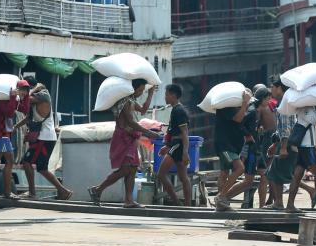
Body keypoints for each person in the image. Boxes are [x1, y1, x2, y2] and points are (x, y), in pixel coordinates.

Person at [88, 79, 157, 207]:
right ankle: (97, 189)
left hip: (131, 139)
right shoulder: (125, 102)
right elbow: (131, 122)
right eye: (140, 90)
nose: (140, 93)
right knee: (125, 169)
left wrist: (150, 93)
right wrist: (148, 132)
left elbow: (143, 110)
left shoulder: (131, 101)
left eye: (142, 91)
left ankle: (128, 200)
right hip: (122, 139)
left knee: (133, 168)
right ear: (133, 89)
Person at [265, 78, 316, 209]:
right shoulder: (287, 101)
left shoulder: (286, 102)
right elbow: (282, 128)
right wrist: (275, 144)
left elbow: (286, 128)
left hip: (287, 144)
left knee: (276, 173)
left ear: (279, 88)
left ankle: (280, 203)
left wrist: (283, 147)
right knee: (280, 173)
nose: (271, 90)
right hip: (286, 143)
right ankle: (281, 202)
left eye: (273, 87)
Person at [17, 88, 72, 200]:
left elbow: (27, 99)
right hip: (44, 138)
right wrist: (15, 127)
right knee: (42, 168)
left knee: (27, 162)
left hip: (44, 138)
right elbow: (27, 118)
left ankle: (32, 193)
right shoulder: (35, 102)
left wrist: (21, 93)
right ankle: (63, 191)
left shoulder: (43, 96)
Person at [212, 87, 253, 211]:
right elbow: (238, 119)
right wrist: (245, 103)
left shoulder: (235, 107)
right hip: (225, 146)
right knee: (240, 168)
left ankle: (221, 203)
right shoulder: (225, 107)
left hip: (231, 146)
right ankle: (221, 196)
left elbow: (239, 124)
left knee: (224, 172)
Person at [157, 84, 193, 206]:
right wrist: (167, 146)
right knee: (183, 177)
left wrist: (185, 153)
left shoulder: (179, 111)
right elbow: (174, 132)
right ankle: (187, 206)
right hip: (176, 145)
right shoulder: (175, 110)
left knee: (161, 174)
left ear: (173, 95)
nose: (165, 97)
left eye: (166, 95)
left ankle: (178, 203)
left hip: (178, 146)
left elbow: (185, 133)